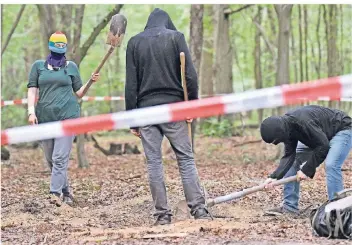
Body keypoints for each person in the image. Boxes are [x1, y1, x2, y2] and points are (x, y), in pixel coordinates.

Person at [125, 8, 211, 225]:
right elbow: (190, 75)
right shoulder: (176, 37)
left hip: (145, 111)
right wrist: (191, 105)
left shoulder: (135, 43)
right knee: (185, 158)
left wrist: (132, 118)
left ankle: (162, 215)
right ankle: (199, 209)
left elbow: (131, 84)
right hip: (174, 108)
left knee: (154, 163)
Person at [27, 31, 100, 206]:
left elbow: (79, 93)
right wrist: (31, 112)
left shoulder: (71, 67)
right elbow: (32, 89)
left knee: (60, 157)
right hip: (45, 118)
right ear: (50, 45)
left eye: (63, 45)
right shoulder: (38, 67)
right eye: (57, 45)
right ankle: (66, 191)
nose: (60, 48)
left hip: (68, 117)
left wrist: (90, 81)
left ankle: (54, 195)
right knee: (51, 158)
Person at [260, 105, 352, 215]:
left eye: (277, 140)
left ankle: (338, 211)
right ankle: (290, 207)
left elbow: (323, 147)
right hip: (319, 136)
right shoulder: (288, 128)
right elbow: (289, 155)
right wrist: (274, 177)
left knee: (331, 164)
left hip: (341, 129)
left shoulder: (303, 122)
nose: (278, 142)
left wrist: (306, 169)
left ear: (280, 133)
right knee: (293, 163)